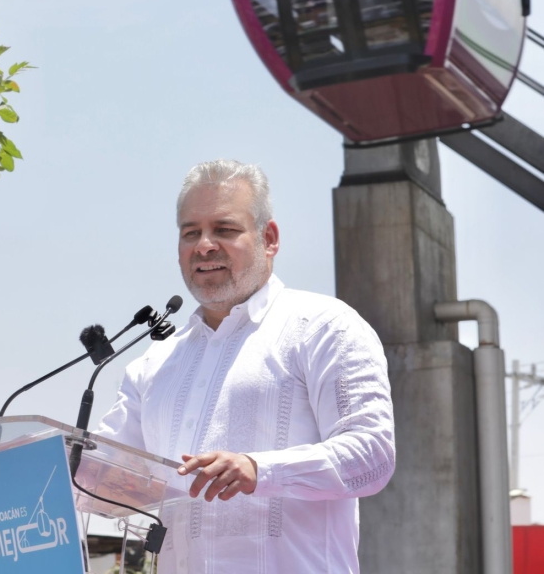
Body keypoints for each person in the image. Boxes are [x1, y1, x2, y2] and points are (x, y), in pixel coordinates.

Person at [97, 159, 395, 574]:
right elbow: (97, 476)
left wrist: (260, 470)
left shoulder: (322, 326)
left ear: (268, 238)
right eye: (190, 233)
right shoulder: (153, 365)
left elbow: (371, 456)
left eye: (224, 229)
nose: (203, 245)